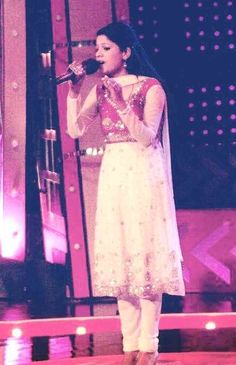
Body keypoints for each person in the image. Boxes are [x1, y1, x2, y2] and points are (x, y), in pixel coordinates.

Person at [67, 21, 185, 365]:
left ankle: (148, 345)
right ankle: (128, 345)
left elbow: (147, 137)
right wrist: (75, 92)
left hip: (143, 172)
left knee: (145, 258)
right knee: (122, 263)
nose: (98, 54)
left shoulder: (151, 88)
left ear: (126, 52)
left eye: (106, 48)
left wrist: (120, 103)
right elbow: (75, 129)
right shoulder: (100, 88)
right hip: (114, 171)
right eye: (97, 48)